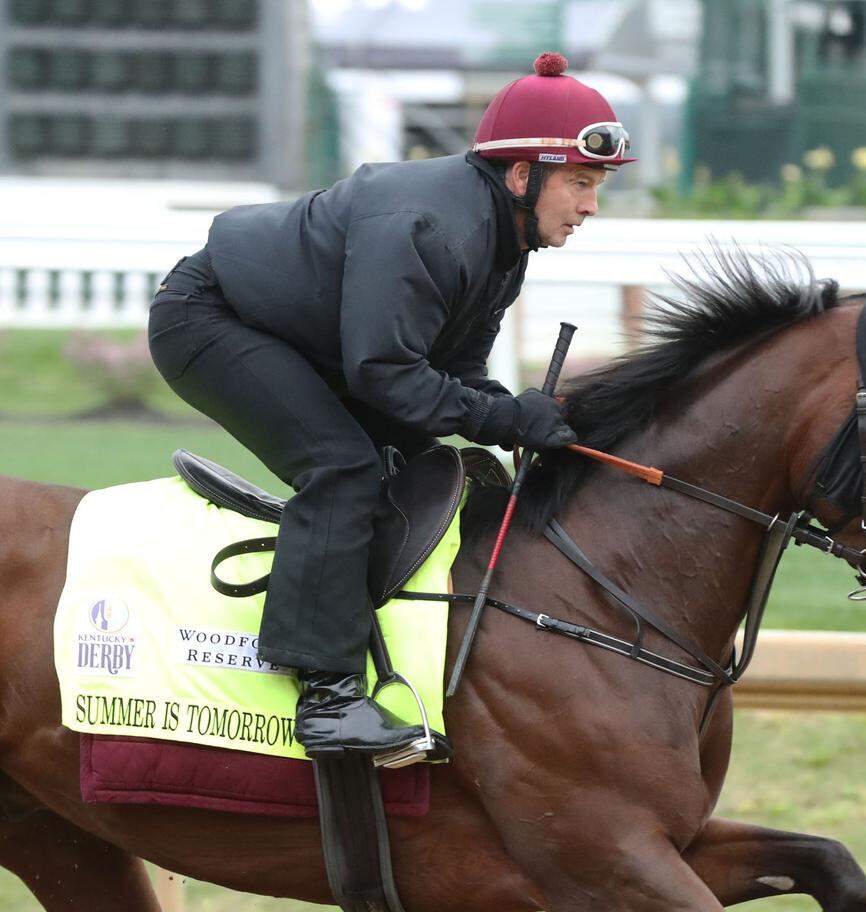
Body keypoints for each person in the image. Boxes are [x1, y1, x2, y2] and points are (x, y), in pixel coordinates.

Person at [147, 52, 636, 764]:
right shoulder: (432, 227)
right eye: (583, 183)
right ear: (523, 175)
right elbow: (386, 376)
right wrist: (503, 420)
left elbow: (455, 372)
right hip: (210, 317)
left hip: (310, 340)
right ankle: (327, 698)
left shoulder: (503, 238)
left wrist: (526, 416)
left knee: (419, 466)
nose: (591, 205)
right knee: (344, 468)